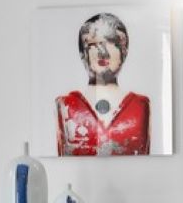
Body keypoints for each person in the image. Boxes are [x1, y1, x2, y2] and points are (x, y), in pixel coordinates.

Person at [53, 12, 151, 156]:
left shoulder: (140, 106)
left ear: (124, 51)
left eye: (111, 43)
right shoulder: (66, 105)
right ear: (82, 53)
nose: (103, 52)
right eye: (94, 44)